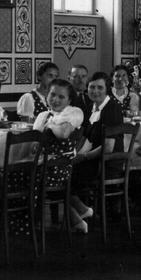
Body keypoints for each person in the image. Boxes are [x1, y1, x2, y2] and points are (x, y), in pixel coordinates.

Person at [70, 72, 125, 233]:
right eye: (92, 87)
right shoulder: (90, 107)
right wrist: (73, 154)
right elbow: (83, 136)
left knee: (62, 175)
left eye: (100, 88)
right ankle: (81, 212)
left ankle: (79, 213)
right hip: (95, 161)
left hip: (107, 163)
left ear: (107, 89)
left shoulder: (112, 108)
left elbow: (108, 148)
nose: (95, 91)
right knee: (61, 171)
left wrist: (82, 158)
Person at [32, 78, 85, 224]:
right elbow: (34, 144)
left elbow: (64, 133)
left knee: (18, 176)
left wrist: (50, 125)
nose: (55, 100)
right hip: (44, 166)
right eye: (52, 95)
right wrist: (36, 145)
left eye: (61, 97)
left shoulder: (72, 113)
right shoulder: (43, 115)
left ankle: (30, 221)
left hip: (58, 170)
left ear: (69, 100)